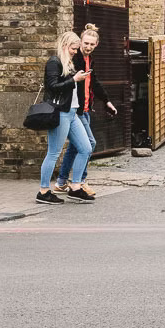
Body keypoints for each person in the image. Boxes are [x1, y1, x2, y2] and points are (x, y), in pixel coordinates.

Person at [52, 24, 117, 195]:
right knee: (89, 144)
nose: (88, 47)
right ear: (80, 42)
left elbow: (93, 82)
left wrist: (106, 101)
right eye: (85, 43)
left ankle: (61, 182)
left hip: (86, 109)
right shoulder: (76, 59)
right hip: (76, 111)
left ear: (96, 45)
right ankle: (79, 182)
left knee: (77, 145)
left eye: (91, 44)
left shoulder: (89, 60)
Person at [36, 32, 97, 205]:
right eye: (73, 48)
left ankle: (76, 187)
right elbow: (52, 86)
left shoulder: (68, 62)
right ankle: (43, 191)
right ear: (64, 45)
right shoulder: (54, 62)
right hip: (60, 113)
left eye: (76, 49)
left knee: (86, 148)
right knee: (54, 152)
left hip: (72, 112)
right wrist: (75, 79)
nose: (75, 51)